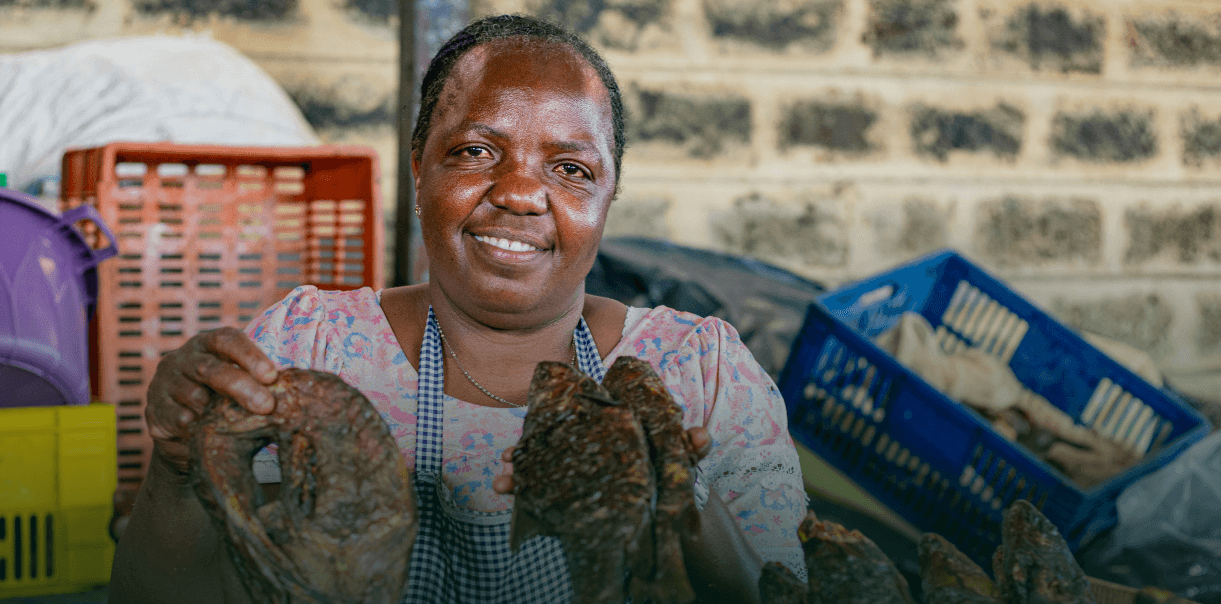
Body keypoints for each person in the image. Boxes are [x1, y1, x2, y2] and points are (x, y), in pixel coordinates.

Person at [108, 14, 808, 603]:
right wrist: (175, 466)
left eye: (571, 169)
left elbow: (785, 591)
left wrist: (679, 496)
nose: (520, 194)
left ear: (609, 196)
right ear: (419, 167)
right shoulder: (307, 349)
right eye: (476, 151)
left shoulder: (701, 372)